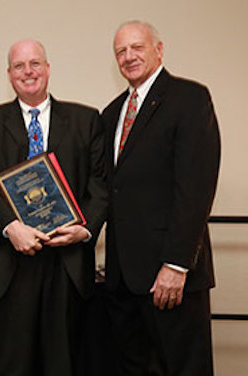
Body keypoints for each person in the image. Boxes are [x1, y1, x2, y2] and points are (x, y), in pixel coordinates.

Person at [0, 40, 108, 376]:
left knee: (64, 363)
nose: (27, 72)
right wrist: (11, 227)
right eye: (19, 66)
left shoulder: (86, 119)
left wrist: (85, 229)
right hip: (9, 261)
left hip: (67, 261)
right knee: (12, 364)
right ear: (9, 74)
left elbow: (100, 184)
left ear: (47, 68)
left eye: (34, 63)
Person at [102, 20, 220, 375]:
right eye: (121, 51)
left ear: (159, 49)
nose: (129, 56)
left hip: (169, 276)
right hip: (123, 278)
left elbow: (195, 188)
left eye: (137, 47)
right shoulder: (111, 114)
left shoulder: (189, 98)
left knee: (185, 368)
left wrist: (176, 264)